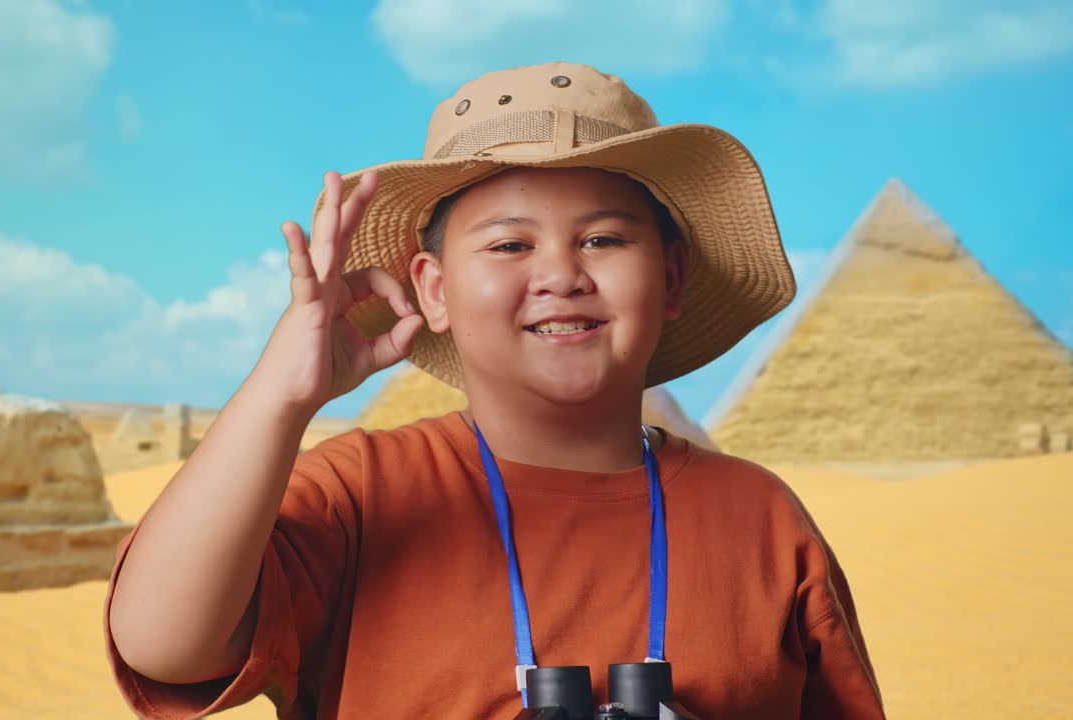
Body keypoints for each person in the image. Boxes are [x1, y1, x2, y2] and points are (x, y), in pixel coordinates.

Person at [104, 62, 886, 719]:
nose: (559, 276)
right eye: (510, 244)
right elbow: (165, 647)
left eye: (604, 239)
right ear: (433, 289)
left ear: (672, 277)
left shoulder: (761, 520)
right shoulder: (358, 494)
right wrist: (280, 394)